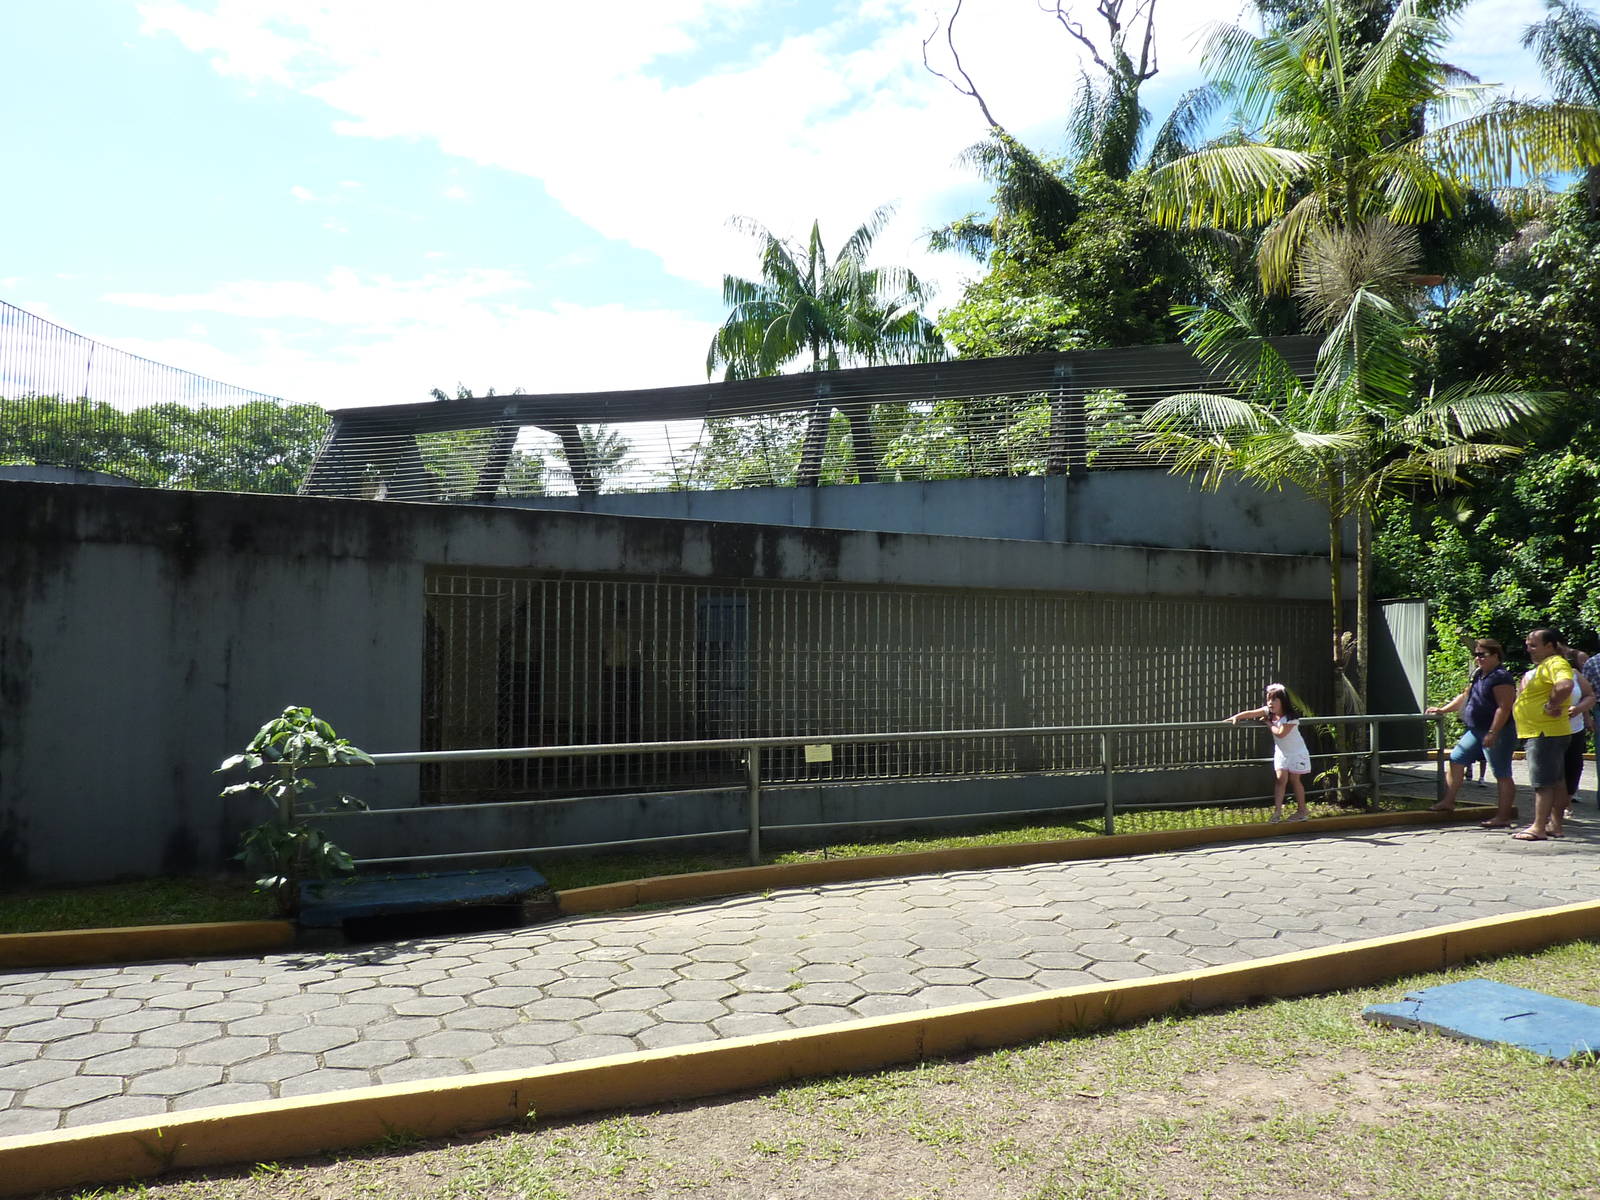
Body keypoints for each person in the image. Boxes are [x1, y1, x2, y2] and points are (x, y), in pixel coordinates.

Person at [1425, 638, 1516, 824]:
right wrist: (1443, 710)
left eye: (1482, 655)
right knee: (1457, 758)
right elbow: (1465, 696)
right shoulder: (1478, 674)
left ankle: (1503, 816)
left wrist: (1493, 732)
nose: (1478, 658)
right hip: (1475, 730)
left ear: (1496, 655)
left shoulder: (1501, 677)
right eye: (1476, 655)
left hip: (1498, 731)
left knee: (1501, 773)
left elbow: (1505, 707)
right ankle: (1448, 801)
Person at [1510, 628, 1575, 841]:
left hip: (1544, 733)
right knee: (1557, 781)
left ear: (1550, 646)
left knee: (1543, 783)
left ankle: (1538, 827)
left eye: (1533, 645)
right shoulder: (1547, 665)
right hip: (1548, 732)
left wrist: (1550, 705)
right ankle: (1555, 825)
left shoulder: (1556, 663)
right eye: (1528, 645)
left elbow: (1565, 685)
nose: (1529, 649)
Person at [1229, 683, 1311, 822]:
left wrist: (1268, 723)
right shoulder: (1269, 712)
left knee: (1295, 780)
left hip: (1296, 753)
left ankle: (1302, 810)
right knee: (1280, 780)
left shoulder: (1290, 717)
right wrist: (1236, 717)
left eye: (1274, 700)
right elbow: (1252, 713)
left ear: (1283, 701)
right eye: (1268, 700)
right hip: (1281, 753)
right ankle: (1277, 812)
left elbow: (1280, 733)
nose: (1270, 703)